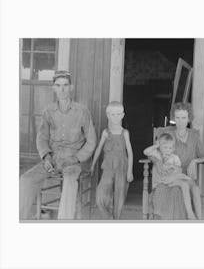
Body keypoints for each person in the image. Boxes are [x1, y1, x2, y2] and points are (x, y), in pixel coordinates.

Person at [19, 70, 97, 220]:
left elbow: (91, 141)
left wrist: (76, 158)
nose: (62, 89)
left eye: (65, 85)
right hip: (52, 160)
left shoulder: (82, 111)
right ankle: (18, 221)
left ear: (71, 87)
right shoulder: (48, 111)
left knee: (69, 184)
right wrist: (46, 156)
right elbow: (41, 138)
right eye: (58, 85)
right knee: (25, 180)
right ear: (54, 88)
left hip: (72, 162)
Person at [152, 102, 204, 220]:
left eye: (184, 118)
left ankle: (199, 220)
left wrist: (195, 161)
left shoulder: (193, 137)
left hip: (185, 175)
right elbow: (153, 154)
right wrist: (159, 164)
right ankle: (187, 216)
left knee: (195, 188)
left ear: (189, 118)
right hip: (170, 174)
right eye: (178, 118)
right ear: (173, 118)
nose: (180, 121)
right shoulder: (168, 134)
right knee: (178, 190)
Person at [91, 101, 133, 219]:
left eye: (118, 114)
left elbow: (130, 152)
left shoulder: (125, 133)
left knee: (119, 196)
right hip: (108, 167)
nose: (115, 117)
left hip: (122, 167)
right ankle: (108, 218)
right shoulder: (106, 133)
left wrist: (130, 171)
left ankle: (116, 220)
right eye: (112, 114)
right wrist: (93, 165)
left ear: (123, 115)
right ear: (108, 115)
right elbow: (99, 149)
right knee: (100, 195)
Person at [143, 132, 197, 219]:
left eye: (170, 148)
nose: (168, 150)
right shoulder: (157, 154)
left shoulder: (174, 157)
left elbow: (179, 169)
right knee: (183, 182)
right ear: (160, 147)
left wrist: (173, 166)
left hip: (172, 180)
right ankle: (189, 213)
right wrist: (156, 146)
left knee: (184, 184)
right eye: (165, 147)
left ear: (173, 149)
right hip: (162, 181)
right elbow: (145, 152)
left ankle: (189, 212)